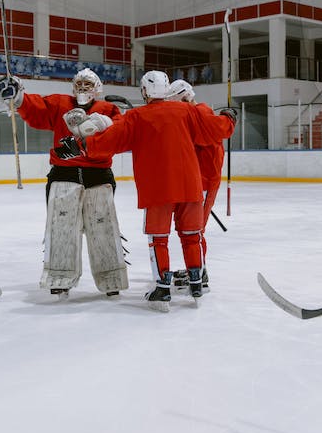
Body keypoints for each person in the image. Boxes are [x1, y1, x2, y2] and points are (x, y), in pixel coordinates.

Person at [55, 71, 235, 312]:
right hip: (190, 186)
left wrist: (80, 145)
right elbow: (217, 129)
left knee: (158, 240)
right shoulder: (187, 111)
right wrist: (229, 117)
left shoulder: (136, 117)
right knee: (192, 235)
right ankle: (196, 283)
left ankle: (163, 288)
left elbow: (110, 140)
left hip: (158, 189)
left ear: (144, 92)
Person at [0, 68, 129, 299]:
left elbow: (121, 133)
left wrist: (104, 125)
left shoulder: (108, 109)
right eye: (80, 83)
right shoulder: (59, 103)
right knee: (61, 229)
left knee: (103, 228)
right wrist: (19, 97)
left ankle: (111, 278)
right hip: (64, 174)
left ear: (98, 88)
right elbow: (36, 109)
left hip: (99, 175)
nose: (83, 88)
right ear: (73, 86)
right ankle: (59, 278)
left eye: (88, 84)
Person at [167, 79, 223, 291]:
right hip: (197, 181)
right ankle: (198, 268)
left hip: (204, 181)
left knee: (196, 230)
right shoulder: (195, 113)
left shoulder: (201, 113)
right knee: (193, 229)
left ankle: (200, 273)